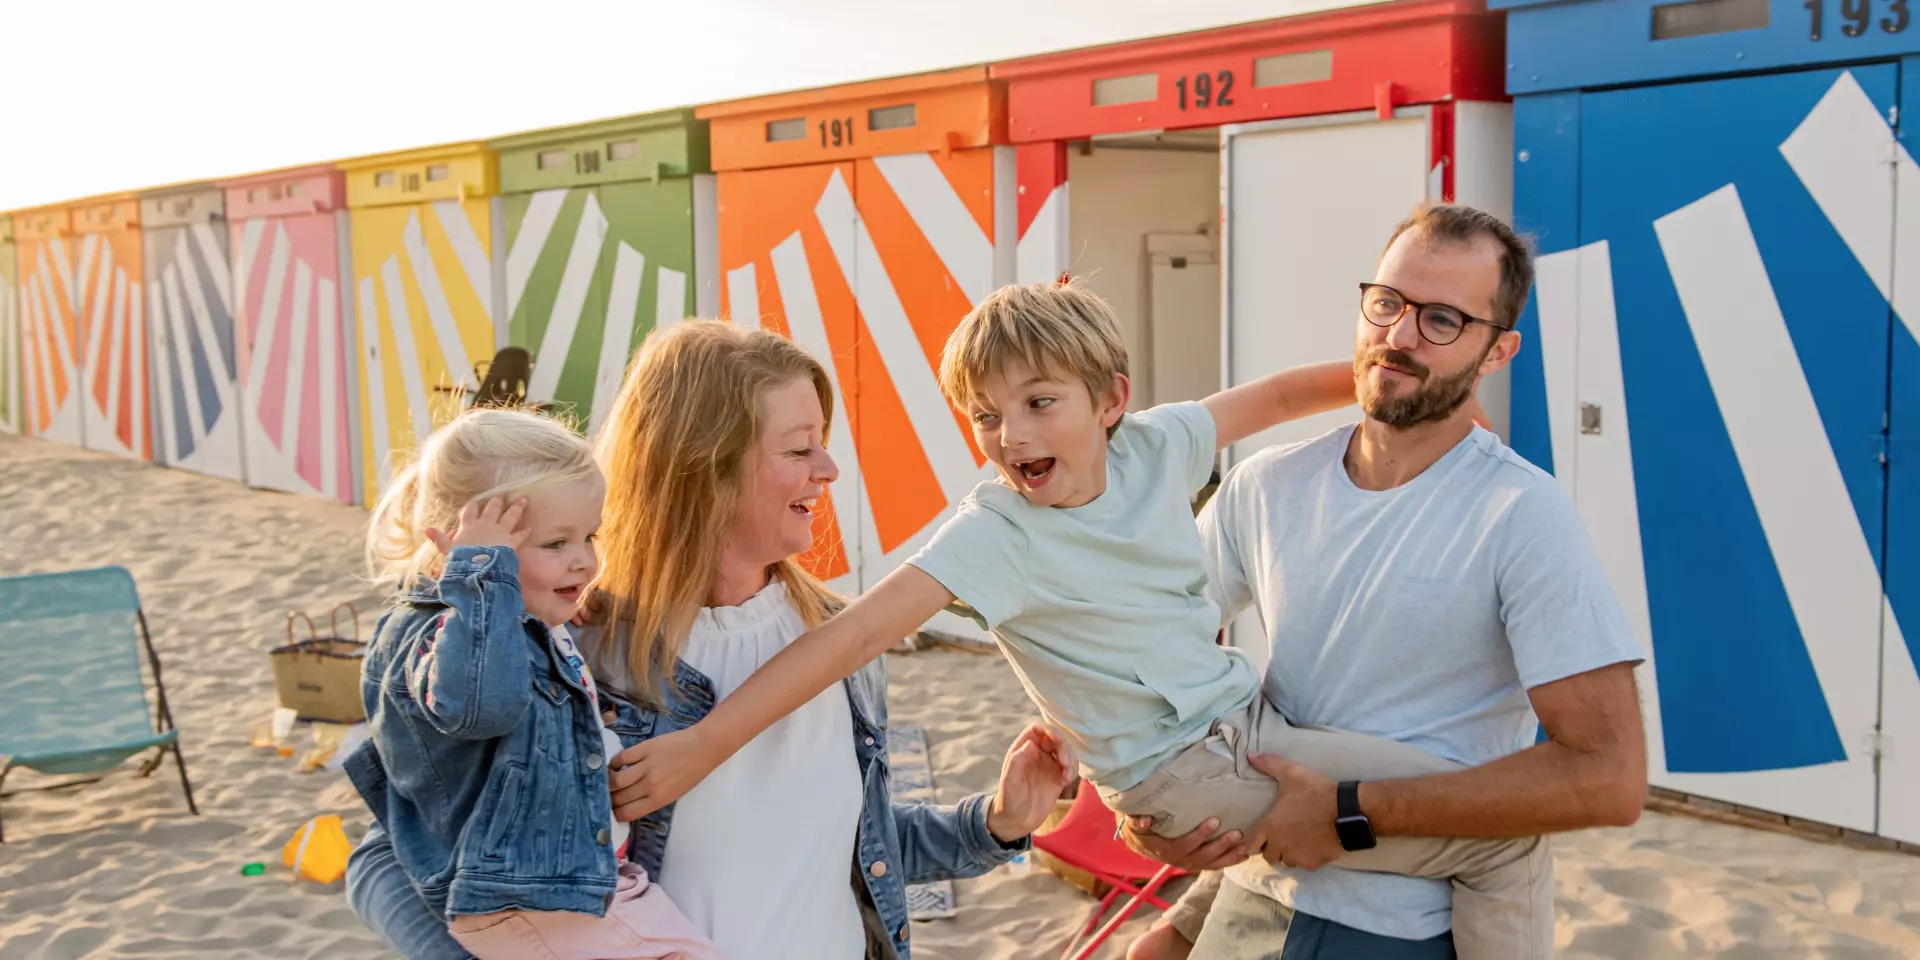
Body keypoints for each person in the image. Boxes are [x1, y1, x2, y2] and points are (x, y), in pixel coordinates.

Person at [611, 279, 1555, 958]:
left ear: (1112, 401)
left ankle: (1178, 931)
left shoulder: (1154, 448)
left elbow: (1273, 398)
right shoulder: (996, 532)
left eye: (1038, 403)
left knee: (1479, 799)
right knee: (1501, 836)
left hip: (1246, 725)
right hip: (1180, 771)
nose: (1011, 435)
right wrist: (702, 746)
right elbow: (848, 638)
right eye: (985, 416)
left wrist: (1407, 401)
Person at [344, 321, 1072, 960]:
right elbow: (389, 858)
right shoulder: (572, 647)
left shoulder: (840, 642)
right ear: (704, 468)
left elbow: (850, 847)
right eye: (800, 448)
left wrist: (997, 823)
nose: (828, 470)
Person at [1122, 203, 1648, 960]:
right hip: (1254, 887)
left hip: (1399, 926)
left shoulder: (1520, 514)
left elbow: (1608, 776)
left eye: (1442, 319)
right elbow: (1143, 654)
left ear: (1497, 352)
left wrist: (1351, 811)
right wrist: (1147, 813)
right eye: (1388, 302)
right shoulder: (1266, 484)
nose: (1400, 335)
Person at [346, 408, 724, 959]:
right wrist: (485, 579)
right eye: (555, 545)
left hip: (582, 884)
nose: (585, 561)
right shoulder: (443, 632)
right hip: (530, 899)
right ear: (464, 548)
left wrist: (542, 602)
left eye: (589, 536)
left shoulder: (514, 620)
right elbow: (485, 706)